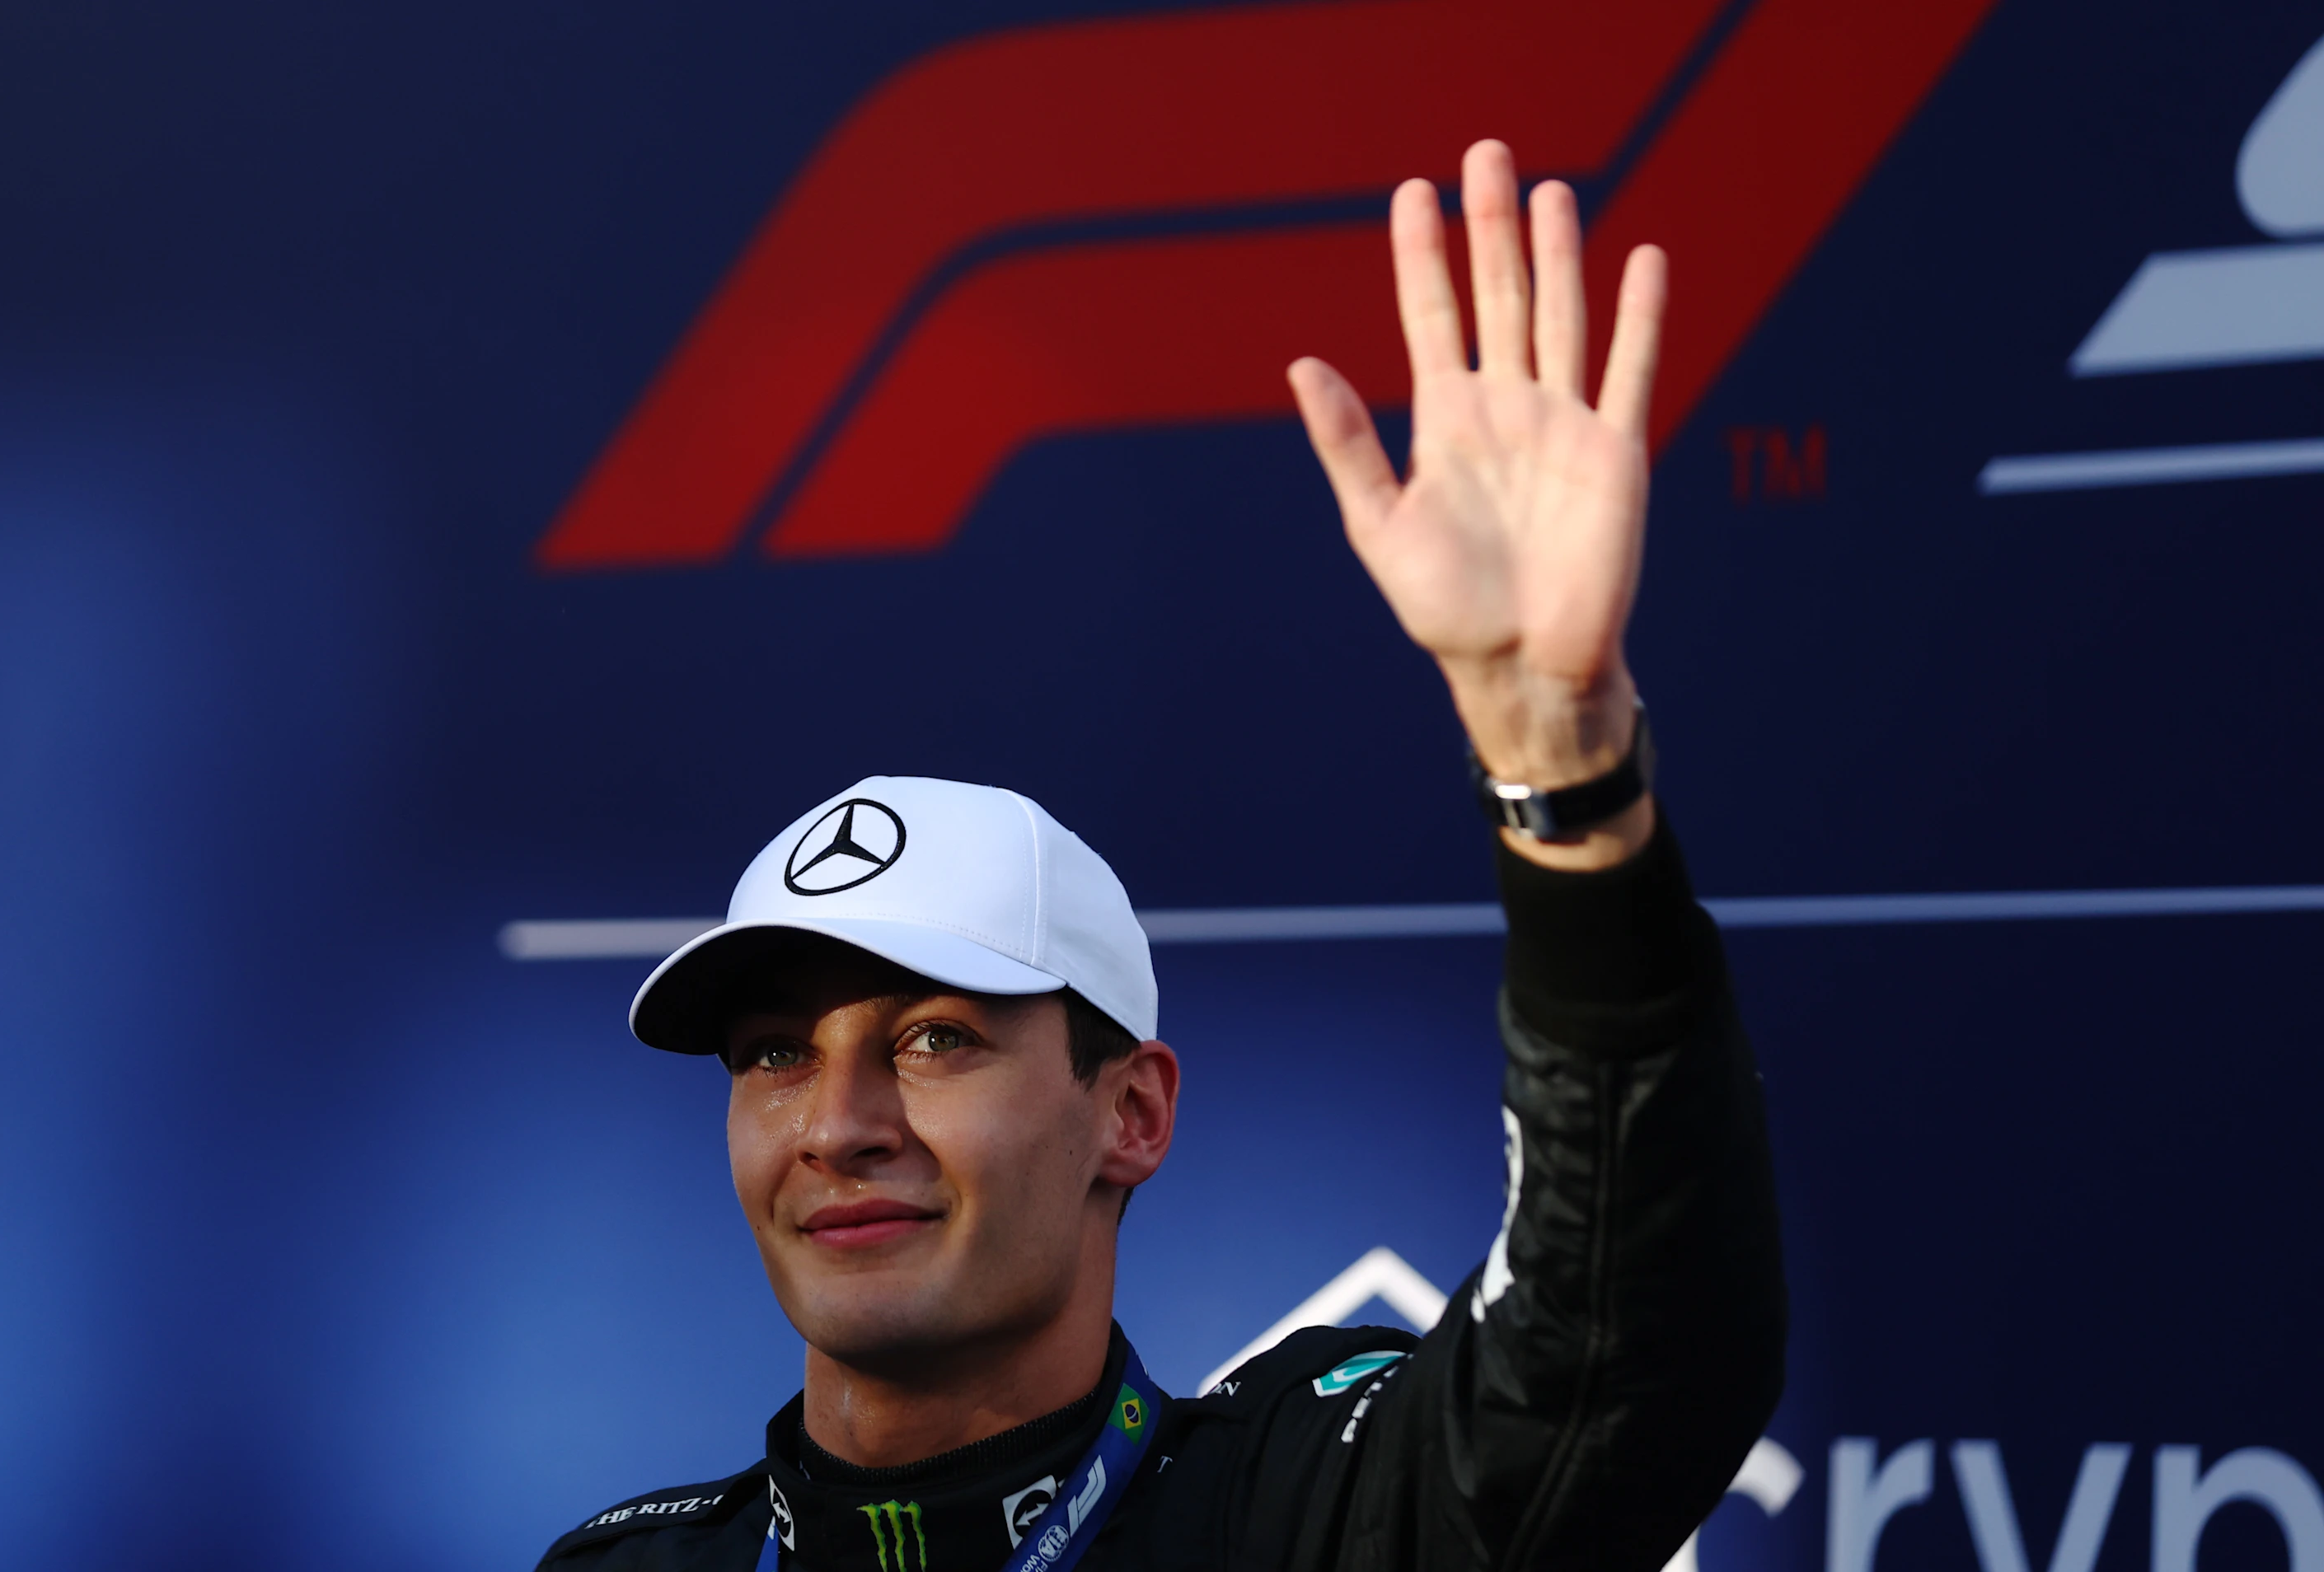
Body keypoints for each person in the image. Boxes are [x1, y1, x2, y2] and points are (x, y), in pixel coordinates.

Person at [536, 140, 1786, 1572]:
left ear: (1130, 1113)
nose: (837, 1125)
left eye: (936, 1039)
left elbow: (1627, 1367)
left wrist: (1560, 765)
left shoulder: (1313, 1517)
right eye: (773, 1055)